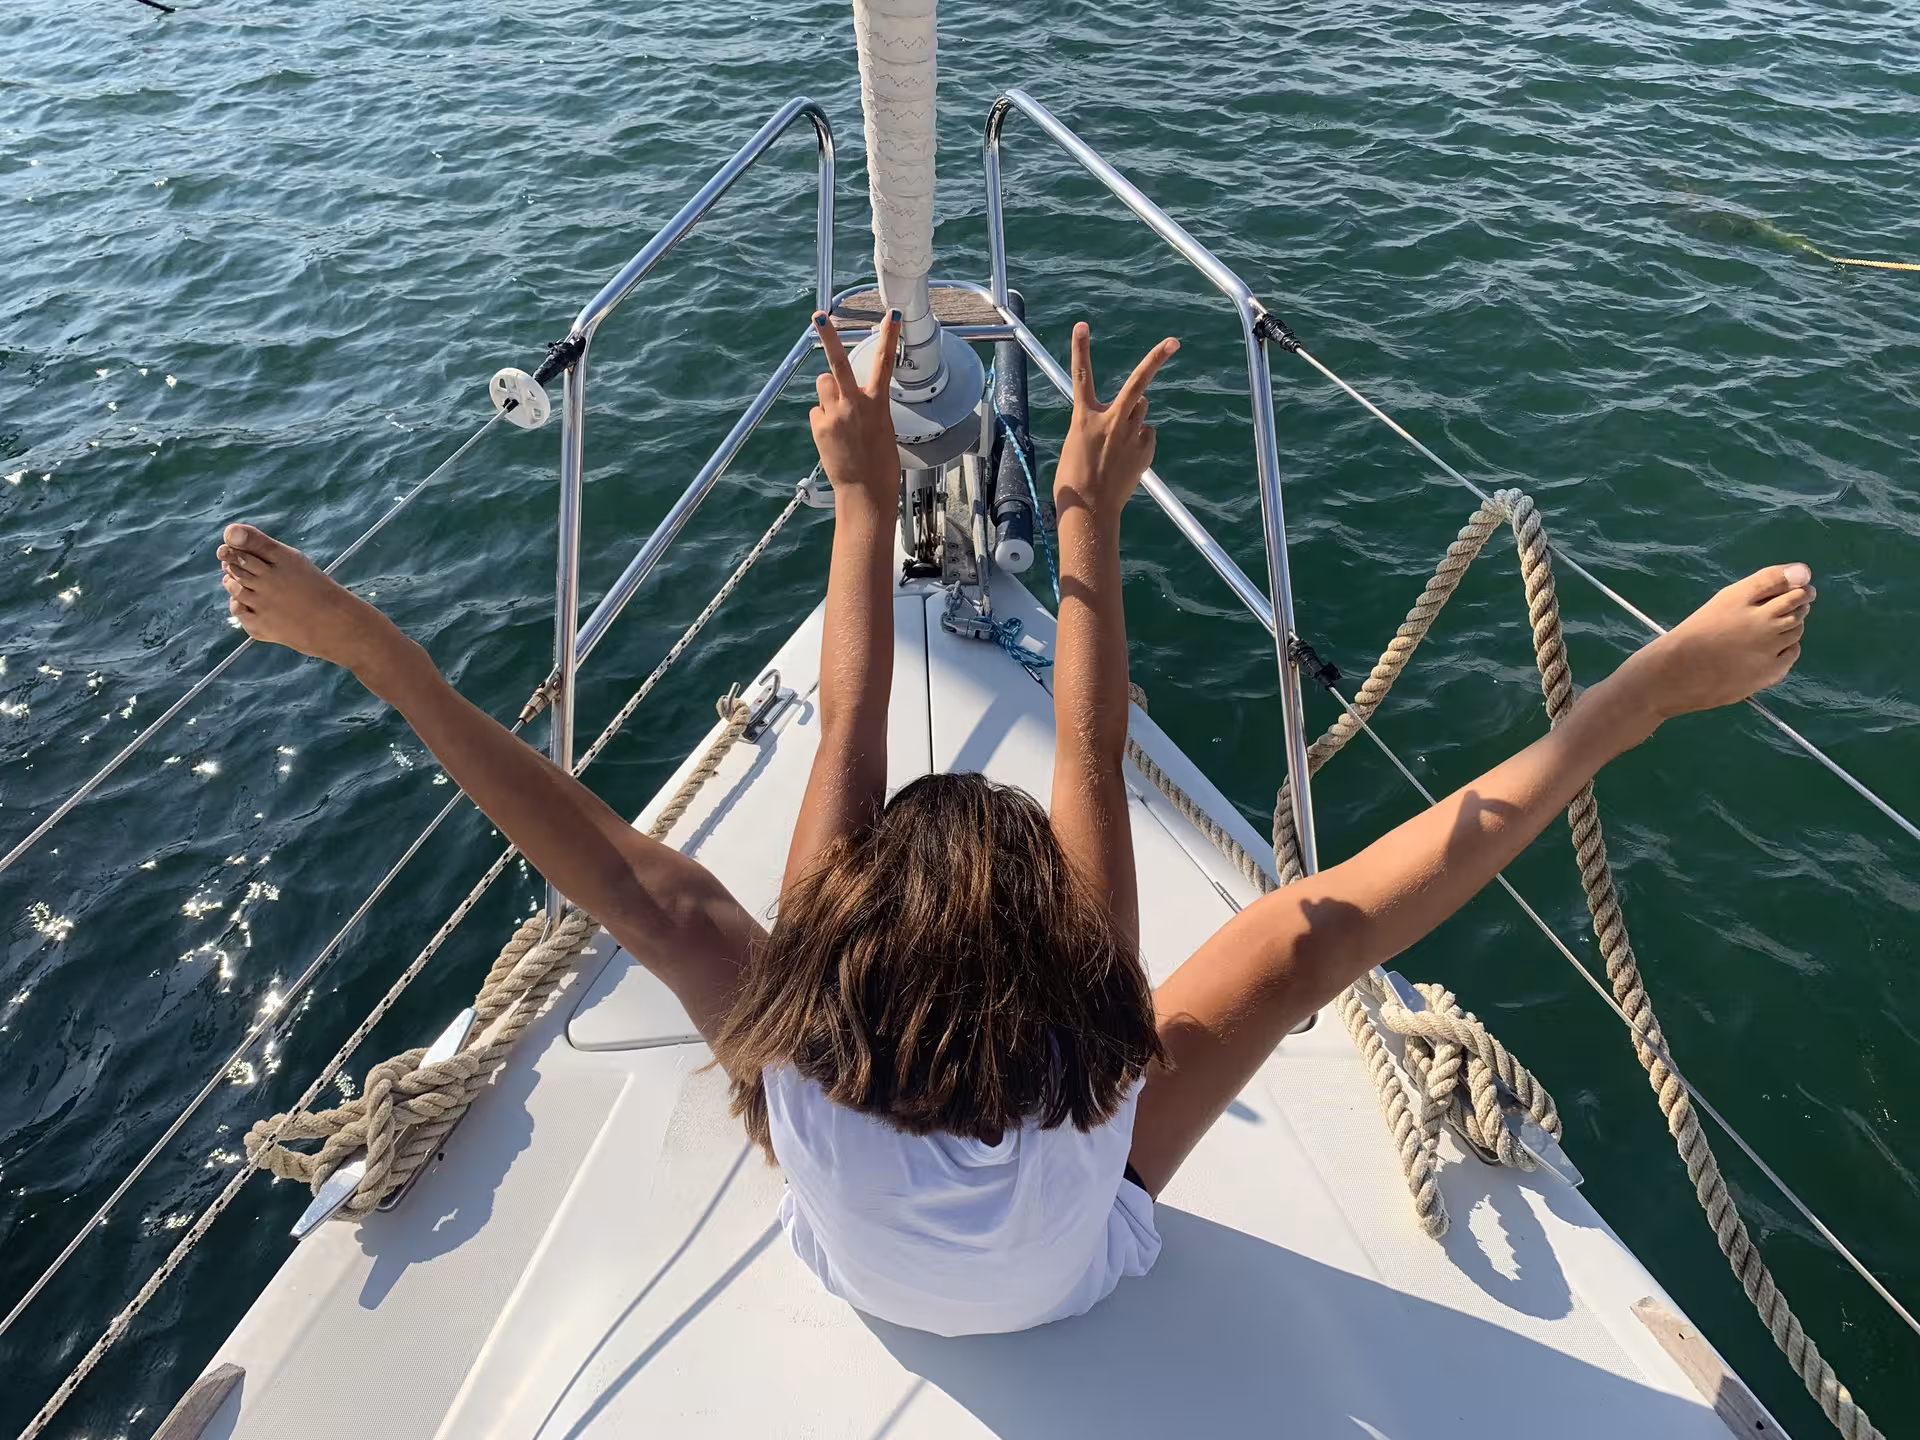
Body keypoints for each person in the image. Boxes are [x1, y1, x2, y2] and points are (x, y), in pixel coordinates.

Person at [216, 308, 1814, 1338]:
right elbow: (1102, 750)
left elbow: (656, 809)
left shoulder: (796, 1055)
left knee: (730, 900)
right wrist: (1652, 688)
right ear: (1068, 963)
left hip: (875, 1241)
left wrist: (381, 652)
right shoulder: (1097, 1049)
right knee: (1302, 931)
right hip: (1074, 1249)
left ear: (830, 967)